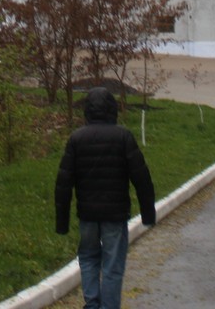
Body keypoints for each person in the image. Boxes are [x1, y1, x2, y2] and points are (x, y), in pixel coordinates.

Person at [55, 86, 157, 309]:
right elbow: (142, 178)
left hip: (88, 215)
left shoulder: (76, 138)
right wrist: (148, 213)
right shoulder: (123, 137)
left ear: (88, 111)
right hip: (115, 214)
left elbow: (63, 183)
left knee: (89, 257)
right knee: (112, 264)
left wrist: (62, 222)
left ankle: (92, 304)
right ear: (112, 110)